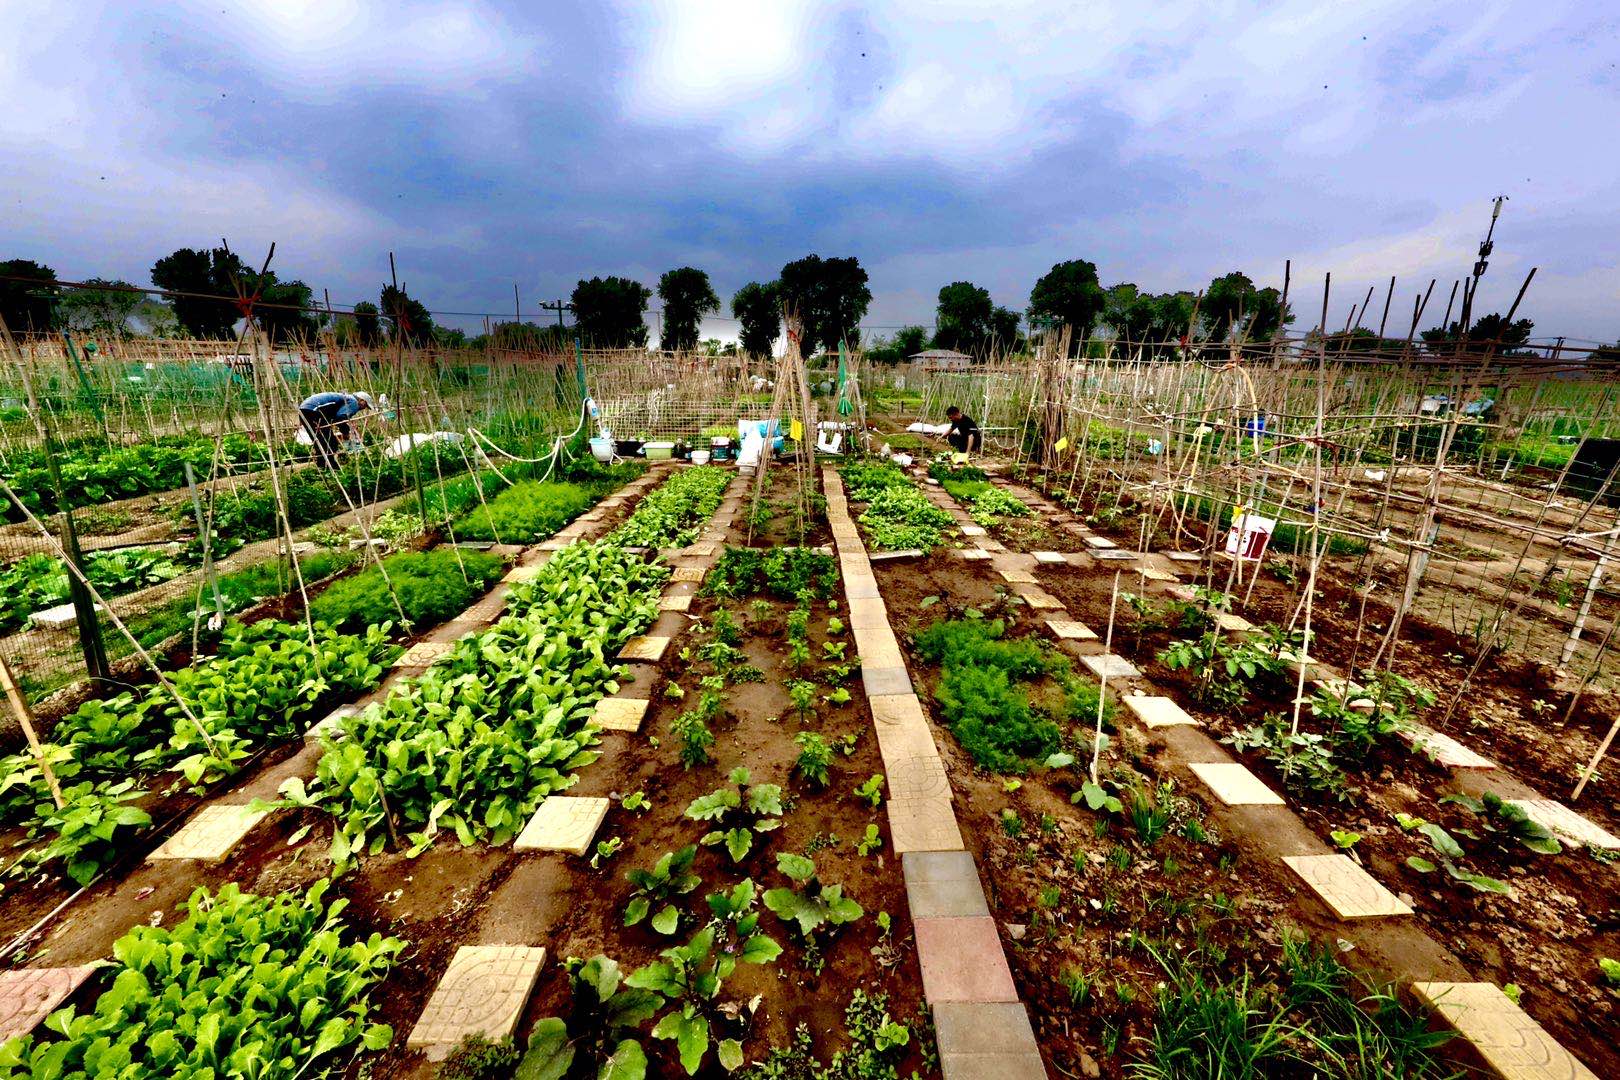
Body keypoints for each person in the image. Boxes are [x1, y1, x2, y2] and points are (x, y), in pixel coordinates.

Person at [299, 390, 373, 467]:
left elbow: (337, 417)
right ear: (362, 400)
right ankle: (329, 465)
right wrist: (345, 432)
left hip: (304, 409)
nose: (364, 408)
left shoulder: (346, 398)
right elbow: (341, 417)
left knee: (320, 440)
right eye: (365, 405)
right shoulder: (354, 402)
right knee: (330, 441)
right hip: (313, 410)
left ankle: (323, 465)